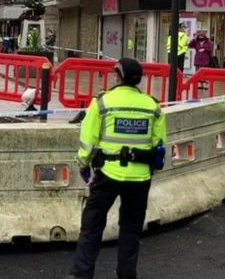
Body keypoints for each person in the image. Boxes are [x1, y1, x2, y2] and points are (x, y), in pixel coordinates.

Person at [70, 58, 167, 279]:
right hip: (140, 177)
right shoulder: (152, 106)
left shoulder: (102, 103)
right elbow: (159, 146)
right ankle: (126, 275)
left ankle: (82, 275)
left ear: (118, 76)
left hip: (107, 174)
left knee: (92, 227)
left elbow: (88, 140)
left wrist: (83, 165)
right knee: (131, 230)